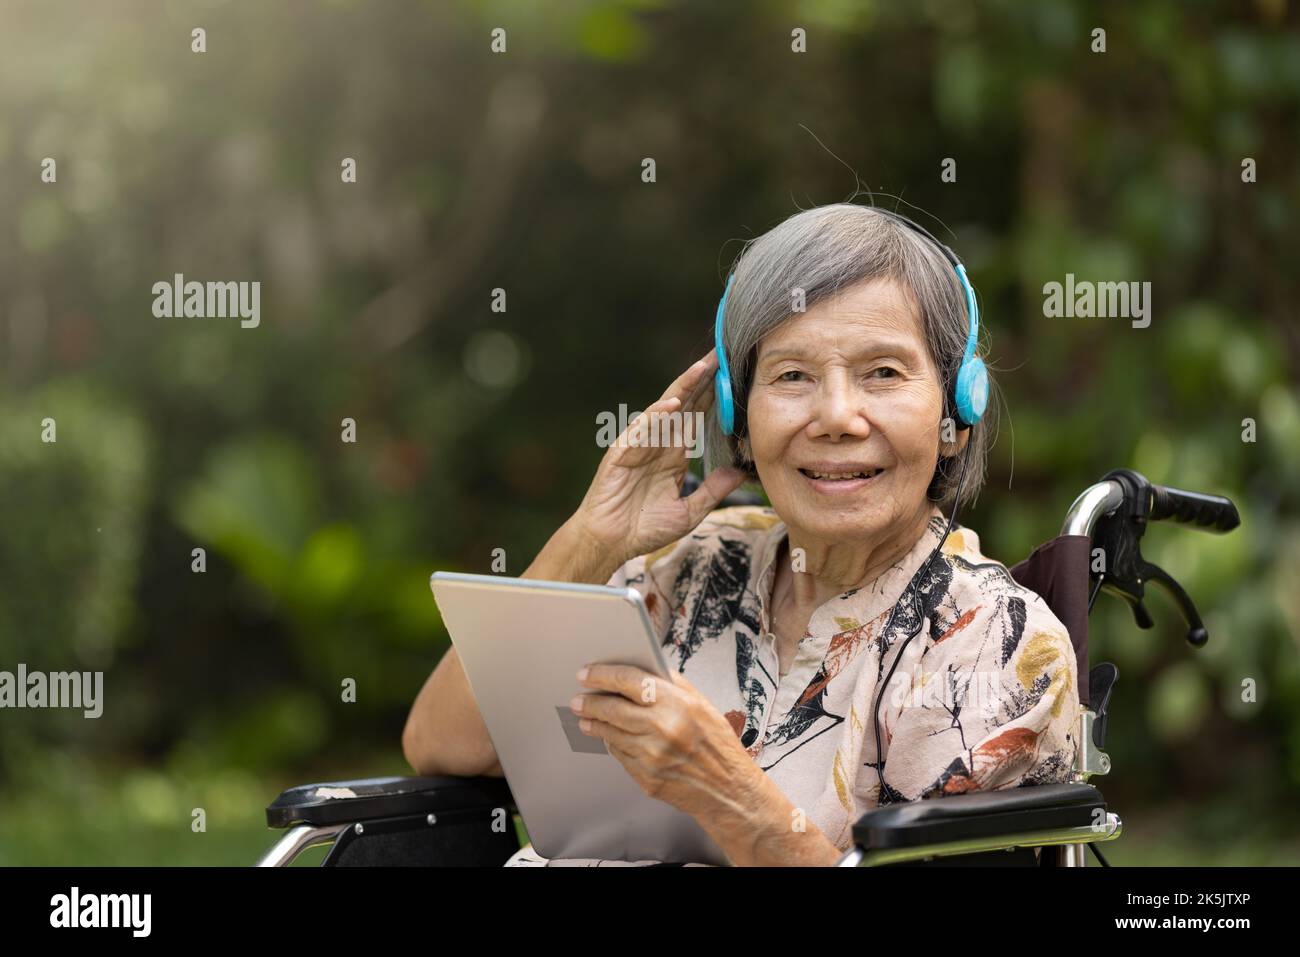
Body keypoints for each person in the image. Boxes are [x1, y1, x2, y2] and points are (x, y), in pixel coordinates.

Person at [402, 203, 1081, 866]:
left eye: (883, 372)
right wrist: (594, 538)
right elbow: (443, 744)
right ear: (738, 412)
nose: (838, 416)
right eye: (792, 375)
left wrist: (729, 794)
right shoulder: (689, 564)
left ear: (957, 410)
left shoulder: (993, 645)